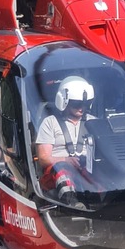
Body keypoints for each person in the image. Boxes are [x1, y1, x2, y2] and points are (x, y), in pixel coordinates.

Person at [36, 76, 95, 204]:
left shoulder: (93, 122)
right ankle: (72, 205)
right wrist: (65, 160)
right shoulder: (50, 122)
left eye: (85, 103)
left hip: (87, 167)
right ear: (64, 102)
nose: (81, 108)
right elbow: (43, 158)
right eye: (76, 104)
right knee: (62, 171)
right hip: (57, 171)